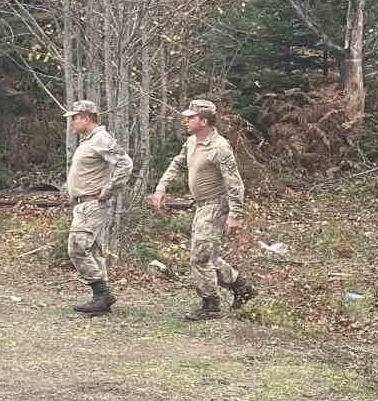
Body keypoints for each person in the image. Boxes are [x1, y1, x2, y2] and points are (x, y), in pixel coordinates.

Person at [152, 99, 257, 320]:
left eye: (191, 118)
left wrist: (235, 215)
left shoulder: (219, 147)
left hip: (216, 206)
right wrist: (162, 187)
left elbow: (235, 183)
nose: (186, 121)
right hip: (202, 207)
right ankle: (242, 287)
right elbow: (177, 163)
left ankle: (211, 305)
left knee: (200, 258)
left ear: (204, 121)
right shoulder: (191, 142)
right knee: (209, 256)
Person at [62, 100, 134, 317]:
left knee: (77, 247)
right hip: (82, 204)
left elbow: (125, 163)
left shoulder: (101, 138)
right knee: (93, 251)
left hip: (92, 204)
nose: (72, 122)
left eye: (75, 118)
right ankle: (101, 301)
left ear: (86, 117)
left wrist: (110, 188)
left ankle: (102, 294)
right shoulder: (89, 141)